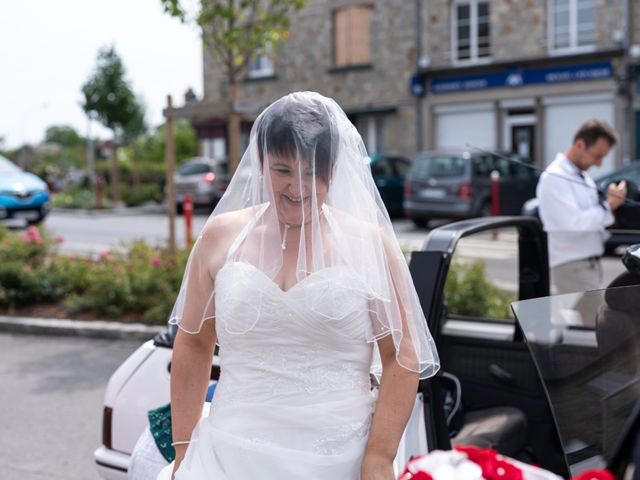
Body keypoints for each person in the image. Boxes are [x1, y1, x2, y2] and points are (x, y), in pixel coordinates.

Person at [157, 92, 439, 480]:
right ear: (260, 164)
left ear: (333, 170)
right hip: (227, 452)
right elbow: (193, 341)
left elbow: (401, 357)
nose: (297, 188)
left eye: (311, 173)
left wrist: (378, 455)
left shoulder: (368, 245)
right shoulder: (221, 237)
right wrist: (184, 448)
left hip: (339, 455)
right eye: (282, 170)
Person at [537, 119, 627, 294]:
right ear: (579, 145)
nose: (599, 164)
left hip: (589, 263)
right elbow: (574, 224)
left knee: (590, 320)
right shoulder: (554, 177)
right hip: (572, 265)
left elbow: (594, 221)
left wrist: (614, 208)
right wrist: (609, 205)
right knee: (597, 321)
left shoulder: (583, 177)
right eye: (597, 156)